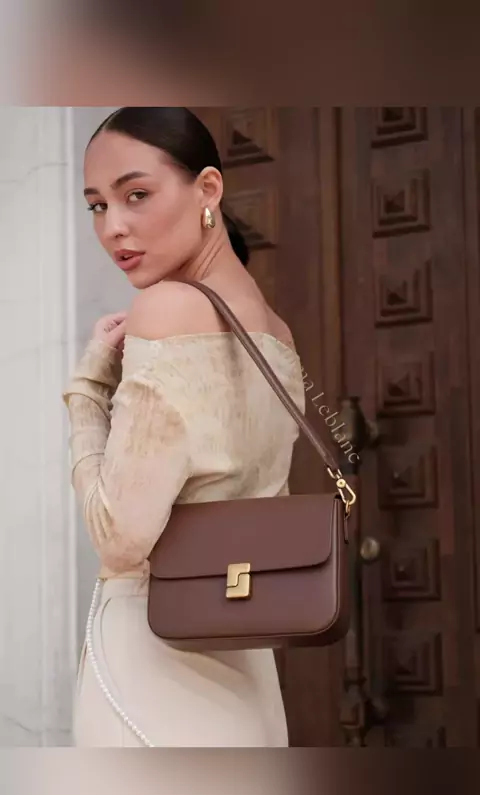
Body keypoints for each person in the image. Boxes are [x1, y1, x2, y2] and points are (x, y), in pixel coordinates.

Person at [63, 107, 306, 747]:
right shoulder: (277, 335)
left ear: (207, 189)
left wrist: (87, 390)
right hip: (247, 667)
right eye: (97, 206)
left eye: (137, 194)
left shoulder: (167, 308)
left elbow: (120, 539)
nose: (113, 227)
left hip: (154, 661)